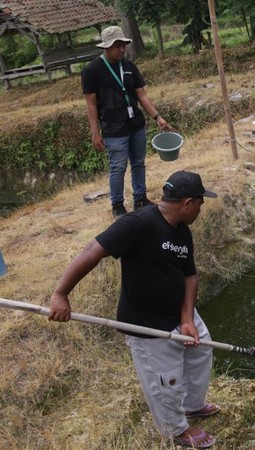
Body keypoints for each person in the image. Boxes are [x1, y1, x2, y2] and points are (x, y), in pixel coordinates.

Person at [48, 170, 220, 449]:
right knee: (166, 379)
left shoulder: (182, 231)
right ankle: (175, 430)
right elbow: (93, 250)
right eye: (201, 202)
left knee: (201, 350)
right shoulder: (138, 222)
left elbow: (190, 276)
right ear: (188, 202)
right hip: (146, 321)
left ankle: (192, 406)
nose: (201, 209)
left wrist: (187, 318)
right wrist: (60, 294)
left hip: (179, 312)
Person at [82, 25, 172, 218]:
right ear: (106, 47)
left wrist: (157, 117)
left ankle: (140, 200)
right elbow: (91, 105)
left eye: (123, 45)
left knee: (138, 163)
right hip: (114, 130)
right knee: (118, 167)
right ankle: (118, 206)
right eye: (117, 46)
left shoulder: (129, 67)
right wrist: (95, 133)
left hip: (136, 125)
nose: (122, 49)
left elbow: (142, 95)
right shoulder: (91, 71)